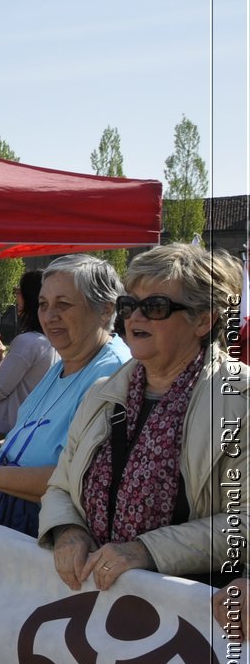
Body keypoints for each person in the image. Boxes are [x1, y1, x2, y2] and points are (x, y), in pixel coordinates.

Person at [40, 243, 246, 591]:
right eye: (129, 305)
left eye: (155, 306)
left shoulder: (240, 401)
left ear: (203, 320)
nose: (135, 317)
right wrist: (67, 530)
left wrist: (146, 550)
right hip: (97, 601)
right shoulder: (103, 394)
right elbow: (61, 486)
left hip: (189, 616)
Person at [0, 255, 129, 535]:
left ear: (106, 310)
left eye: (63, 304)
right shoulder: (67, 360)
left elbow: (85, 479)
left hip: (55, 526)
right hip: (17, 509)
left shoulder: (114, 373)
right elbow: (39, 429)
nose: (49, 316)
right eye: (44, 305)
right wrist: (0, 446)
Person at [0, 270, 55, 439]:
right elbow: (18, 385)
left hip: (7, 435)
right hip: (28, 432)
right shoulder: (48, 341)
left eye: (19, 291)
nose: (16, 297)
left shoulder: (27, 341)